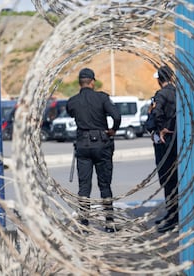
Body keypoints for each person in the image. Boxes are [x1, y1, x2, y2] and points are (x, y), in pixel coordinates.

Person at [66, 68, 121, 233]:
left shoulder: (72, 101)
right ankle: (109, 223)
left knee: (84, 186)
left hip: (83, 145)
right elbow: (117, 116)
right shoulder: (102, 98)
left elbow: (71, 114)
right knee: (104, 185)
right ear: (92, 82)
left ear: (79, 83)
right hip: (102, 145)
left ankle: (83, 224)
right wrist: (113, 130)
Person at [149, 65, 179, 233]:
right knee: (175, 179)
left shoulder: (161, 94)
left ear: (160, 80)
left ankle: (173, 216)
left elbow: (156, 113)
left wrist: (160, 128)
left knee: (167, 179)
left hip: (165, 141)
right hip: (176, 139)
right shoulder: (177, 92)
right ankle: (172, 214)